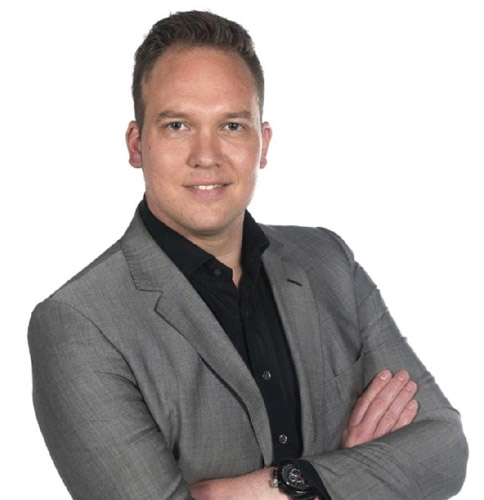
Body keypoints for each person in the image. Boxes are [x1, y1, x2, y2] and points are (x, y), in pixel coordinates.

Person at [28, 10, 467, 500]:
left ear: (263, 143)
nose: (206, 155)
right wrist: (356, 475)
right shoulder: (78, 324)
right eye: (177, 125)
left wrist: (283, 486)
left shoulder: (329, 262)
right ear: (137, 144)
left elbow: (444, 449)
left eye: (232, 125)